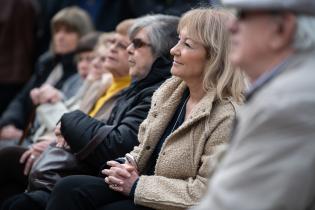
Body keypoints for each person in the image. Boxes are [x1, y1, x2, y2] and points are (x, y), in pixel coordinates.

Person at [45, 8, 246, 210]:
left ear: (214, 57)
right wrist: (125, 165)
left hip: (176, 203)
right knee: (69, 187)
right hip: (144, 188)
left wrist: (137, 185)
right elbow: (143, 148)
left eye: (187, 44)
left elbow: (205, 190)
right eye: (178, 40)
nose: (173, 50)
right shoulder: (169, 91)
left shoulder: (227, 114)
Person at [1, 14, 178, 210]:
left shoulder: (147, 90)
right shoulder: (126, 87)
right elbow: (102, 131)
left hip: (105, 171)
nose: (126, 49)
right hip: (84, 162)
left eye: (135, 44)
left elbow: (115, 143)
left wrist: (68, 120)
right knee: (9, 160)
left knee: (54, 192)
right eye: (113, 43)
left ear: (163, 53)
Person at [192, 1, 315, 210]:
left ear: (281, 28)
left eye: (242, 15)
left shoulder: (287, 104)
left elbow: (233, 204)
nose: (231, 26)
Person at [0, 6, 93, 145]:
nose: (60, 37)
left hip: (49, 139)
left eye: (68, 31)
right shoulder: (47, 63)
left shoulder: (83, 70)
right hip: (28, 134)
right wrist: (9, 122)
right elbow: (21, 98)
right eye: (57, 31)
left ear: (82, 35)